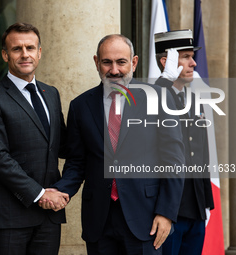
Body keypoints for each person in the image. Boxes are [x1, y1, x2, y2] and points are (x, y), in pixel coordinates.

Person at [40, 34, 185, 255]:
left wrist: (166, 213)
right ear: (97, 62)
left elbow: (174, 160)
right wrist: (60, 191)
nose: (114, 70)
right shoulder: (80, 106)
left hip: (146, 219)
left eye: (121, 62)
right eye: (107, 62)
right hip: (99, 219)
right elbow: (77, 162)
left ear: (134, 62)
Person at [0, 22, 69, 255]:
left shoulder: (51, 93)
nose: (25, 54)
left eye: (30, 47)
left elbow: (63, 146)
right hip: (9, 218)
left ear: (39, 52)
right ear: (5, 55)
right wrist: (40, 194)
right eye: (17, 49)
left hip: (49, 219)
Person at [154, 29, 215, 255]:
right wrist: (165, 81)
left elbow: (201, 154)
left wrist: (206, 202)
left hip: (196, 208)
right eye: (186, 57)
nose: (194, 63)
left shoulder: (192, 100)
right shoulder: (153, 98)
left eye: (193, 56)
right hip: (169, 211)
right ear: (166, 61)